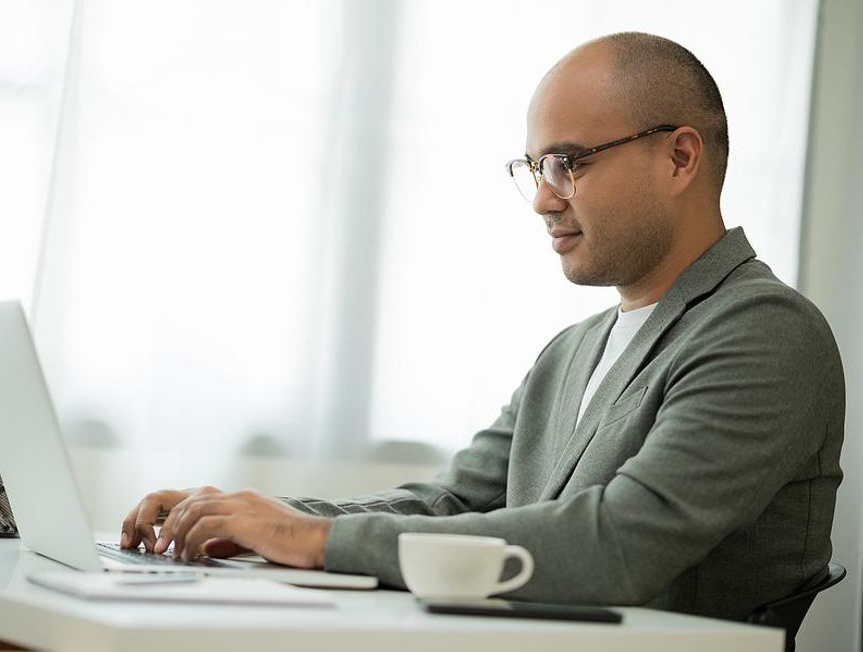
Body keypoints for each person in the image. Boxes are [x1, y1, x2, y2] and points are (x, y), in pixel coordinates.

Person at [121, 32, 844, 621]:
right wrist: (249, 516)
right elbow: (449, 503)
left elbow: (618, 544)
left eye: (568, 164)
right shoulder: (573, 351)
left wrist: (311, 539)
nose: (541, 200)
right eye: (533, 168)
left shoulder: (765, 331)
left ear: (680, 156)